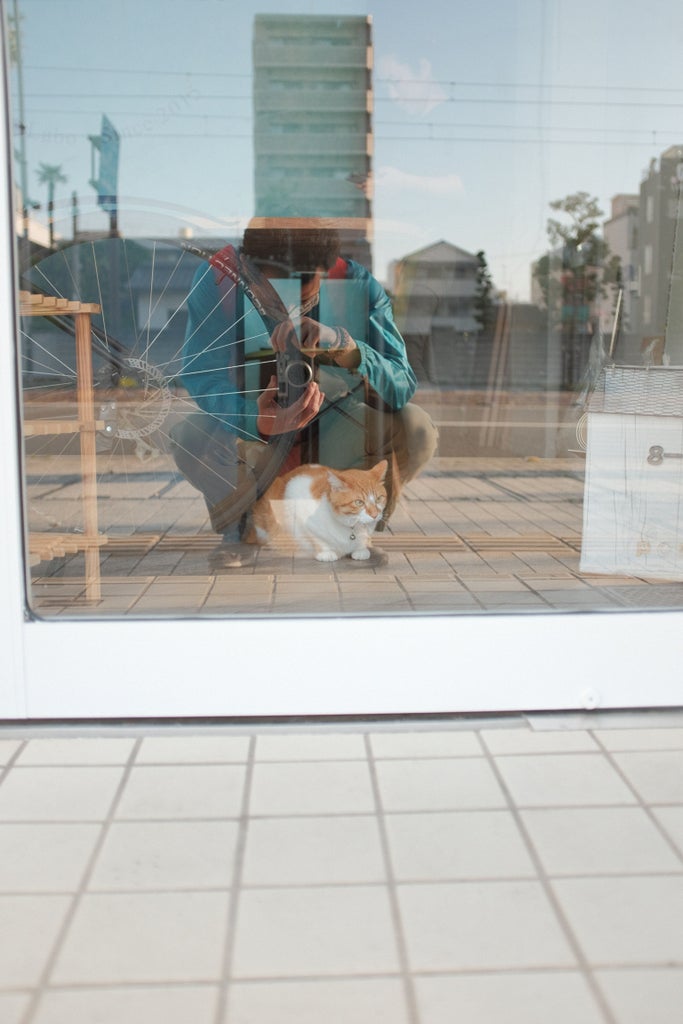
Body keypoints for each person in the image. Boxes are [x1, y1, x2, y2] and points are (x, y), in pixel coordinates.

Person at [170, 218, 437, 567]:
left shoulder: (356, 283)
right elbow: (201, 372)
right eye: (272, 280)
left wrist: (346, 346)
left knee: (416, 428)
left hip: (336, 422)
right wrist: (256, 419)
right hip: (256, 428)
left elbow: (401, 384)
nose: (287, 292)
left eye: (302, 281)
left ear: (328, 269)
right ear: (249, 267)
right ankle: (243, 528)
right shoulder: (221, 279)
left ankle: (350, 530)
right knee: (189, 435)